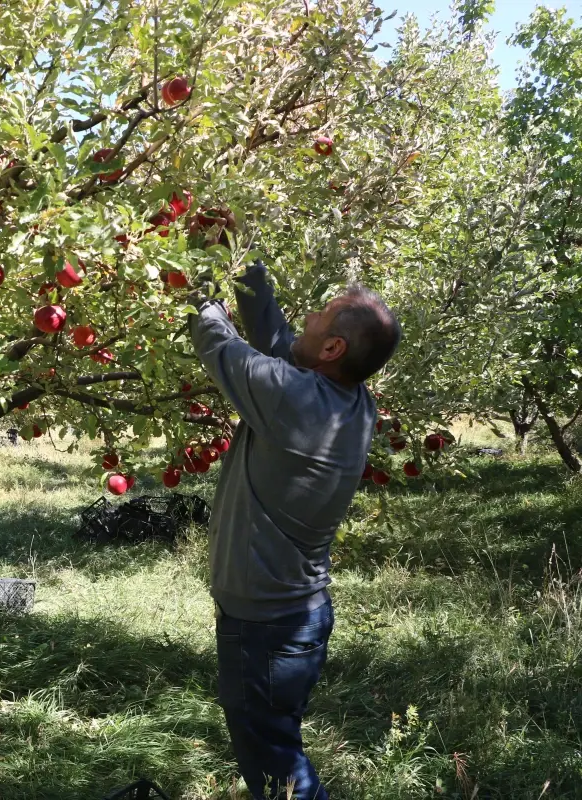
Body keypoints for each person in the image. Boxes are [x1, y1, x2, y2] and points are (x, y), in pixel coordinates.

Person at [189, 258, 401, 800]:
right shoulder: (350, 402)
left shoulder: (293, 398)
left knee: (278, 768)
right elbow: (278, 337)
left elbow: (219, 343)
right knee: (278, 749)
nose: (306, 316)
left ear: (332, 350)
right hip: (294, 617)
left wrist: (196, 275)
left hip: (265, 627)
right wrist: (245, 268)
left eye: (320, 316)